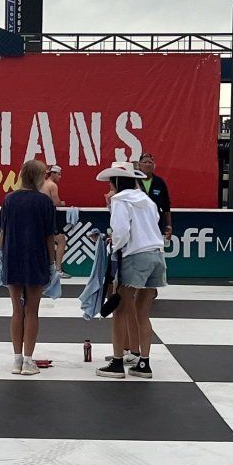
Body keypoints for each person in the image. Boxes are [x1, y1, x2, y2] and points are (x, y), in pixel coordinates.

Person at [96, 161, 165, 377]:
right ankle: (143, 362)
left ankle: (117, 363)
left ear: (116, 181)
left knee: (120, 310)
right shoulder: (147, 200)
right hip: (157, 255)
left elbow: (121, 230)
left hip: (135, 256)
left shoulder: (119, 200)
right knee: (142, 312)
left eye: (111, 183)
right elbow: (155, 223)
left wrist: (113, 246)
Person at [1, 159, 63, 373]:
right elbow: (49, 236)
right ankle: (28, 360)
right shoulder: (44, 202)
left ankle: (17, 359)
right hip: (36, 258)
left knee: (17, 310)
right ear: (39, 177)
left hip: (12, 256)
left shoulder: (9, 200)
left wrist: (0, 256)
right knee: (32, 310)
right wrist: (52, 263)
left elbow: (3, 232)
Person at [138, 154, 173, 238]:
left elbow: (166, 206)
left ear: (154, 165)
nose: (147, 164)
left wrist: (168, 225)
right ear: (139, 165)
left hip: (155, 224)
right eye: (144, 162)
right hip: (138, 224)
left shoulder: (159, 182)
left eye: (150, 162)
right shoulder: (134, 181)